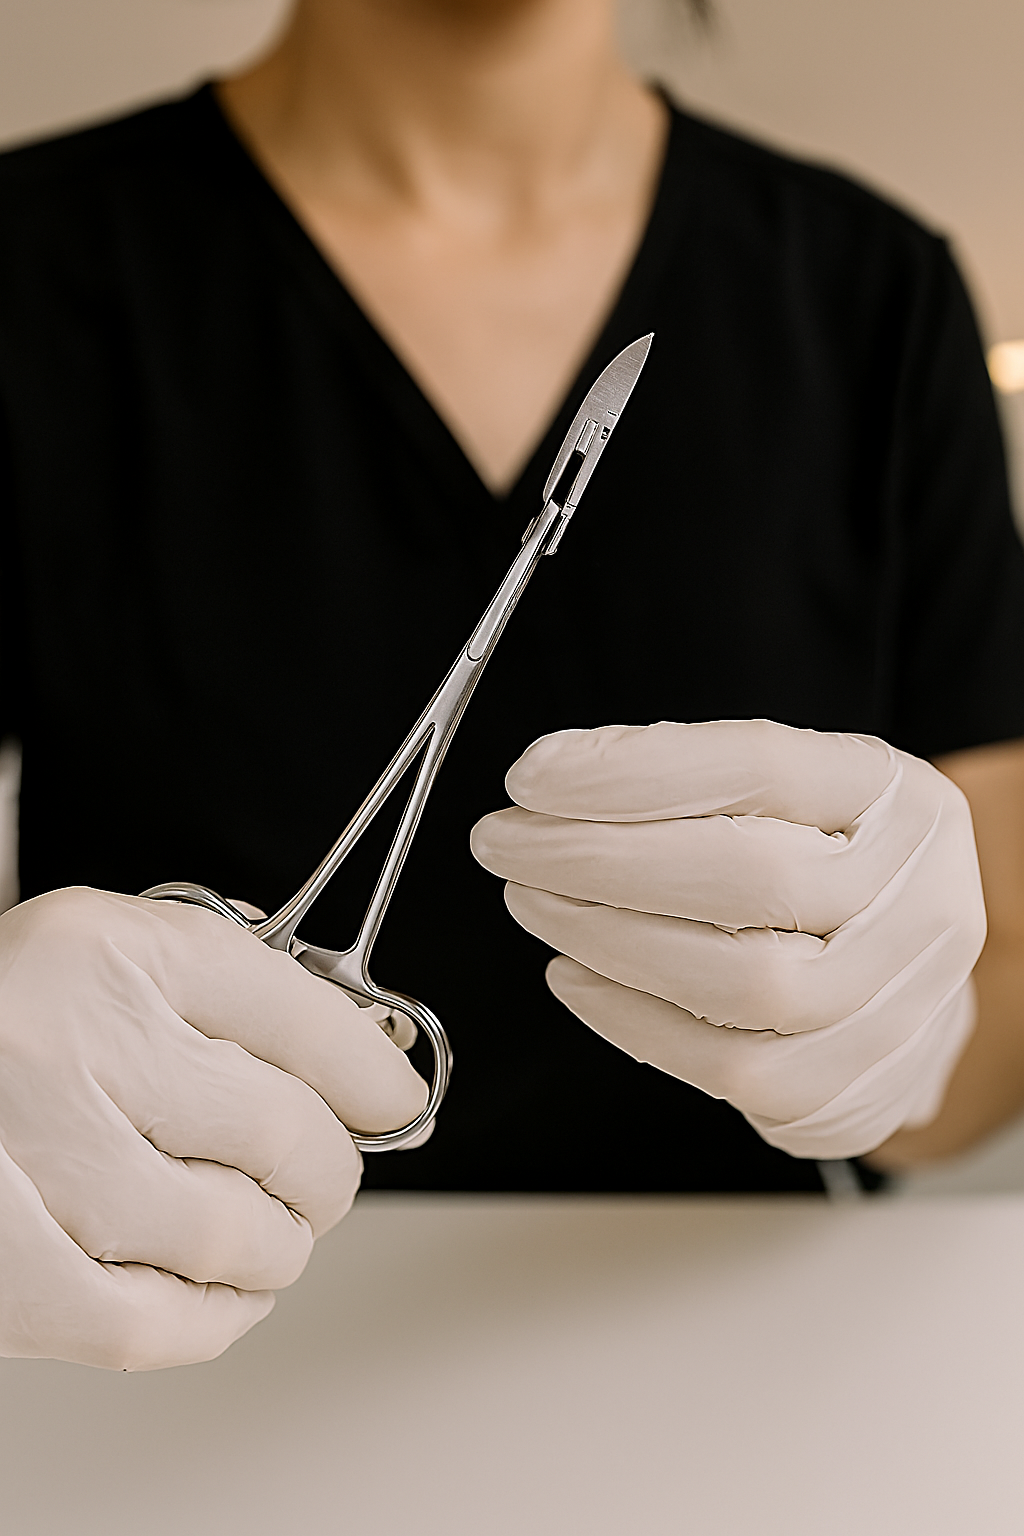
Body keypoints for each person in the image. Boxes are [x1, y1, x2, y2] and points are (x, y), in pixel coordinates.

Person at [1, 0, 1023, 1368]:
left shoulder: (870, 292)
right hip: (153, 1381)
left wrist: (917, 1043)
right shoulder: (28, 263)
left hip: (745, 1380)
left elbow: (1001, 998)